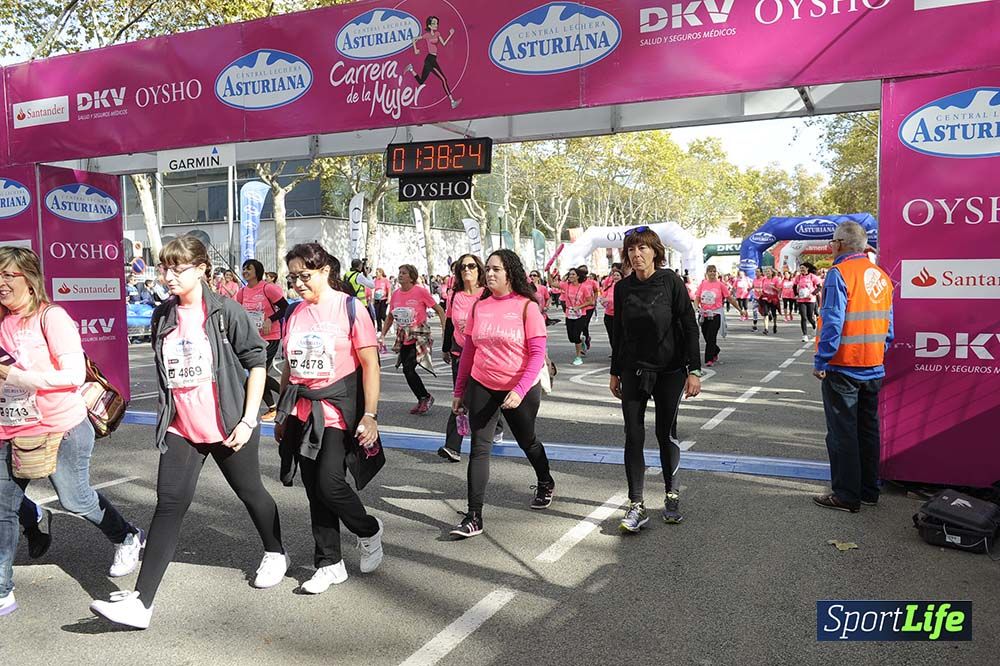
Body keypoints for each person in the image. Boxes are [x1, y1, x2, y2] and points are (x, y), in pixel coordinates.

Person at [90, 237, 286, 629]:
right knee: (167, 506)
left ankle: (275, 550)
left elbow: (258, 364)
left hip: (228, 425)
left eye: (178, 268)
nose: (169, 276)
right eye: (165, 268)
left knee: (252, 494)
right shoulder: (163, 316)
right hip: (182, 428)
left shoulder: (225, 312)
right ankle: (141, 603)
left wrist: (249, 420)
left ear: (201, 269)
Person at [0, 247, 144, 618]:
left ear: (30, 281)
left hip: (60, 427)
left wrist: (17, 377)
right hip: (10, 429)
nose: (0, 284)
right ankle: (3, 590)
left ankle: (126, 535)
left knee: (75, 499)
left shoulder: (52, 317)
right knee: (2, 509)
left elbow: (72, 375)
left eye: (7, 276)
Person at [274, 243, 384, 593]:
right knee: (314, 491)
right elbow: (290, 366)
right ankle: (329, 563)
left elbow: (370, 365)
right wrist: (281, 412)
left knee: (330, 483)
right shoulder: (294, 313)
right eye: (292, 278)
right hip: (301, 409)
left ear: (324, 271)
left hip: (337, 411)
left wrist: (370, 414)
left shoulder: (351, 308)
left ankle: (368, 529)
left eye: (305, 276)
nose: (298, 284)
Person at [450, 250, 554, 538]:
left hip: (519, 388)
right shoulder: (479, 306)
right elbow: (469, 351)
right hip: (482, 384)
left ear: (510, 273)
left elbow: (537, 354)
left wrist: (519, 390)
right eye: (489, 269)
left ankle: (545, 480)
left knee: (527, 441)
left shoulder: (526, 306)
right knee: (479, 449)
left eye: (496, 269)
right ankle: (474, 516)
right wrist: (460, 391)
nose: (490, 274)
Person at [609, 229, 702, 531]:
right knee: (633, 436)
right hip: (633, 370)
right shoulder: (622, 289)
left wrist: (694, 370)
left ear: (655, 252)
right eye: (631, 249)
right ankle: (636, 504)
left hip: (670, 371)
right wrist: (614, 371)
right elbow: (619, 335)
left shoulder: (671, 282)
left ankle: (671, 495)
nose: (636, 254)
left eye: (643, 248)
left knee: (665, 433)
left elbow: (689, 325)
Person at [811, 222, 893, 513]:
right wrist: (879, 352)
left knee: (842, 433)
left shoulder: (839, 273)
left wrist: (821, 359)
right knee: (868, 429)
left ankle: (846, 495)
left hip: (844, 364)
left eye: (832, 242)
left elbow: (832, 322)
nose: (831, 247)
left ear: (842, 244)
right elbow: (889, 326)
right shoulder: (881, 275)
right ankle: (870, 490)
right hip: (873, 364)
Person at [438, 254, 485, 463]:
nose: (467, 269)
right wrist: (446, 347)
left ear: (479, 270)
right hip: (460, 353)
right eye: (463, 266)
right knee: (461, 397)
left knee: (484, 398)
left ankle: (497, 424)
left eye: (471, 266)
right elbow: (449, 322)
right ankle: (452, 446)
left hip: (484, 354)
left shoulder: (486, 294)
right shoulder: (455, 295)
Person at [380, 264, 445, 415]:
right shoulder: (396, 294)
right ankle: (423, 398)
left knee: (409, 369)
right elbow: (390, 316)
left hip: (419, 335)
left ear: (411, 277)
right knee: (406, 370)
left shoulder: (420, 292)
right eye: (399, 272)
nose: (400, 275)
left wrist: (444, 330)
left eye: (404, 273)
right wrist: (383, 334)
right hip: (404, 335)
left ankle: (425, 397)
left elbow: (439, 310)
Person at [237, 259, 289, 421]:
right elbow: (236, 312)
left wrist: (270, 320)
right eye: (244, 269)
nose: (245, 271)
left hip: (270, 337)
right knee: (258, 373)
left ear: (257, 271)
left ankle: (287, 398)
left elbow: (285, 307)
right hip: (252, 338)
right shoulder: (242, 292)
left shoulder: (268, 288)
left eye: (249, 268)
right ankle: (274, 406)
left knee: (257, 372)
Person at [405, 16, 461, 109]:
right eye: (434, 23)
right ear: (429, 25)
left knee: (421, 81)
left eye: (437, 23)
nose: (436, 25)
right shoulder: (426, 35)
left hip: (432, 59)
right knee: (443, 79)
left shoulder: (438, 33)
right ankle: (452, 101)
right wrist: (415, 49)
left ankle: (411, 69)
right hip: (430, 60)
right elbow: (414, 39)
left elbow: (443, 43)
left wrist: (450, 34)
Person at [694, 266, 745, 367]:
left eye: (714, 271)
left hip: (716, 314)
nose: (712, 273)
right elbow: (697, 298)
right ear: (707, 273)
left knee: (711, 336)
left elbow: (730, 299)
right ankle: (716, 350)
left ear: (717, 273)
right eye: (710, 271)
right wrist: (696, 308)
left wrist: (740, 310)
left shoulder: (720, 285)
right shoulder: (703, 284)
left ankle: (709, 359)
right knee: (706, 336)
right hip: (704, 314)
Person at [558, 268, 596, 366]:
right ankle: (581, 340)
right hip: (569, 314)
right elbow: (551, 283)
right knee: (571, 338)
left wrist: (579, 306)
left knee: (575, 336)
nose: (571, 276)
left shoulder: (583, 288)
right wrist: (548, 270)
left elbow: (591, 301)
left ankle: (578, 357)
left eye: (573, 274)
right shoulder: (566, 285)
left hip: (580, 315)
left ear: (578, 276)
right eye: (570, 274)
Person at [794, 262, 823, 342]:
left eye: (803, 268)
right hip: (801, 299)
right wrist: (796, 294)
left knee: (810, 316)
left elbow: (819, 287)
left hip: (810, 299)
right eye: (801, 268)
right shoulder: (798, 277)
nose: (802, 270)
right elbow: (794, 286)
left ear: (807, 268)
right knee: (803, 317)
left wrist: (812, 294)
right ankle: (804, 335)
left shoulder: (812, 277)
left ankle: (814, 325)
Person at [601, 268, 622, 349]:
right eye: (614, 275)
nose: (616, 277)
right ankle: (614, 351)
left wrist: (609, 300)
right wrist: (603, 301)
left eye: (618, 275)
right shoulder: (609, 286)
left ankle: (620, 352)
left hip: (619, 315)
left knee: (619, 335)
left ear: (621, 277)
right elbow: (603, 297)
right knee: (611, 335)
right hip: (608, 315)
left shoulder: (624, 287)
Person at [758, 267, 781, 336]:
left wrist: (774, 287)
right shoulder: (764, 279)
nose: (767, 273)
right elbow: (762, 288)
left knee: (774, 313)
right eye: (766, 272)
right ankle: (766, 328)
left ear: (772, 272)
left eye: (768, 271)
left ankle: (774, 324)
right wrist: (760, 292)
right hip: (765, 298)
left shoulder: (776, 279)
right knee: (765, 313)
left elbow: (779, 290)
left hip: (773, 298)